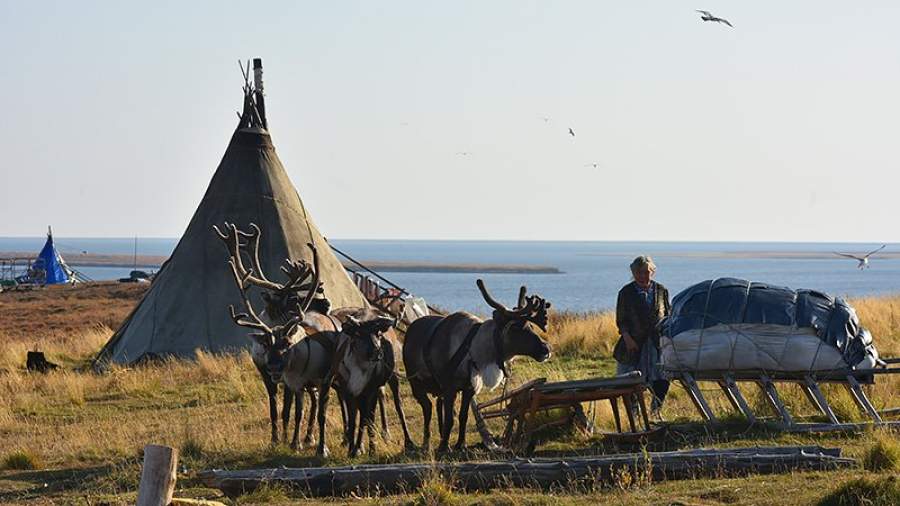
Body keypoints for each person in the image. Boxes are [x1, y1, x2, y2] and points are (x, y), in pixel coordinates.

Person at [614, 255, 671, 417]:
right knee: (631, 381)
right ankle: (635, 415)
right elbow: (621, 320)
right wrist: (628, 339)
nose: (642, 276)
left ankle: (655, 412)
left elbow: (668, 315)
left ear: (652, 272)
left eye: (646, 272)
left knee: (662, 379)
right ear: (633, 273)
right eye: (639, 272)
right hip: (632, 344)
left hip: (656, 343)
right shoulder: (626, 293)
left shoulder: (661, 290)